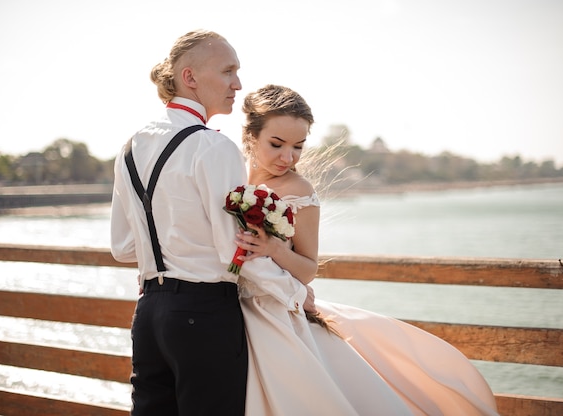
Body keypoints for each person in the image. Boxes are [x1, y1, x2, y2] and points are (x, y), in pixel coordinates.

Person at [233, 84, 500, 415]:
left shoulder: (299, 191)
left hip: (274, 317)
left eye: (298, 147)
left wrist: (273, 246)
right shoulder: (230, 177)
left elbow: (306, 269)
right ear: (250, 136)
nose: (287, 157)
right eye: (276, 144)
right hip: (226, 312)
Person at [110, 32, 307, 416]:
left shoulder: (131, 146)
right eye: (228, 71)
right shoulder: (213, 146)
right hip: (204, 317)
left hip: (149, 315)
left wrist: (172, 251)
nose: (238, 83)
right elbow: (233, 249)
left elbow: (123, 248)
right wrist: (296, 294)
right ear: (190, 77)